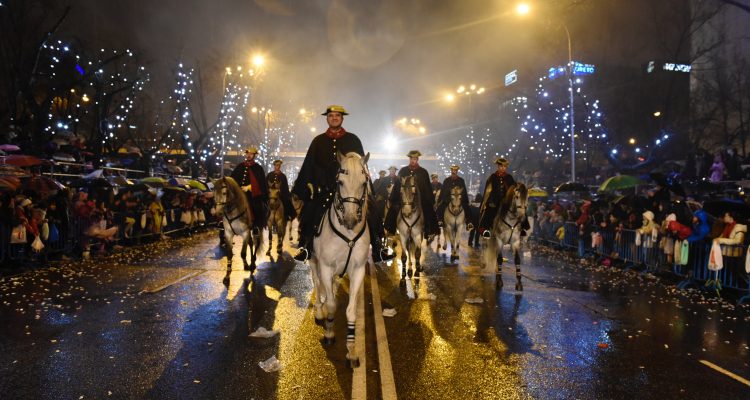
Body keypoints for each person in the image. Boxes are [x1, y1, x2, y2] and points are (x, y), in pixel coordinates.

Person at [291, 105, 394, 262]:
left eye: (337, 116)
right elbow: (309, 165)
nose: (334, 118)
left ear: (342, 118)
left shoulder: (353, 139)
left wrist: (366, 187)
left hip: (350, 190)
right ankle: (305, 246)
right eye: (331, 115)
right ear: (327, 118)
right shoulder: (318, 141)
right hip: (324, 190)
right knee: (310, 211)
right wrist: (306, 185)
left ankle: (379, 247)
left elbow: (362, 165)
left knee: (372, 210)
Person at [384, 150, 440, 240]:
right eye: (411, 158)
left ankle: (429, 231)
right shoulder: (403, 171)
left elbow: (427, 187)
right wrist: (393, 198)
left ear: (417, 159)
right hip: (404, 198)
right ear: (409, 159)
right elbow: (398, 185)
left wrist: (430, 200)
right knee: (394, 208)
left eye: (415, 159)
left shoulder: (423, 172)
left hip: (420, 199)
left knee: (428, 210)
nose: (413, 160)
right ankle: (391, 230)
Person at [230, 146, 269, 233]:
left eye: (251, 154)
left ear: (254, 155)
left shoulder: (258, 168)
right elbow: (232, 179)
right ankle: (224, 224)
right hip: (238, 193)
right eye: (247, 153)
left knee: (257, 207)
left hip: (251, 194)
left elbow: (261, 183)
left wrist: (250, 187)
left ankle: (256, 226)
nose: (249, 155)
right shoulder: (240, 166)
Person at [478, 157, 516, 238]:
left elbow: (514, 188)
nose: (503, 168)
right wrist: (490, 200)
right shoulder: (492, 177)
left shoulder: (509, 177)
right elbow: (488, 191)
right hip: (494, 201)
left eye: (505, 167)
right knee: (489, 214)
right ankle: (485, 230)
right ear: (498, 167)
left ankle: (520, 230)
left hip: (506, 202)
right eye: (501, 166)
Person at [436, 165, 473, 230]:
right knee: (440, 208)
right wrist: (439, 201)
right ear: (451, 171)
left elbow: (464, 191)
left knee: (467, 208)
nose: (454, 172)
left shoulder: (461, 180)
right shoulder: (446, 180)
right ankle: (440, 221)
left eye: (455, 171)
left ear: (457, 171)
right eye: (453, 170)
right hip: (448, 201)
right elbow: (443, 191)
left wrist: (466, 201)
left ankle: (469, 223)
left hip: (459, 201)